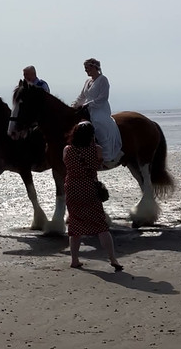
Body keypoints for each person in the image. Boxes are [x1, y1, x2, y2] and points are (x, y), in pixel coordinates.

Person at [63, 121, 123, 272]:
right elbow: (100, 165)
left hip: (72, 189)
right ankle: (113, 258)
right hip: (90, 188)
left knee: (75, 225)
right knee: (101, 226)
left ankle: (75, 260)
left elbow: (66, 165)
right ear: (92, 135)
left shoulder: (67, 150)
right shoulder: (97, 150)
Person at [71, 58, 123, 164]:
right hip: (87, 109)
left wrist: (88, 104)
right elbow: (81, 96)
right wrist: (74, 105)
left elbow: (103, 97)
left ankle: (106, 155)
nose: (86, 70)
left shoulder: (103, 79)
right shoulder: (87, 81)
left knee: (99, 124)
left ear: (94, 67)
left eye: (87, 68)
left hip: (99, 109)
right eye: (85, 68)